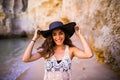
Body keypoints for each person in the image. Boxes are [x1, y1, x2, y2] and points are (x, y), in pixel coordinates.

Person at [22, 21, 93, 80]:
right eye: (54, 34)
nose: (58, 37)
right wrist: (34, 39)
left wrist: (80, 35)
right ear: (51, 37)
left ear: (65, 34)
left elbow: (89, 54)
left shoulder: (71, 50)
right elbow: (26, 59)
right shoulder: (46, 51)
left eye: (61, 33)